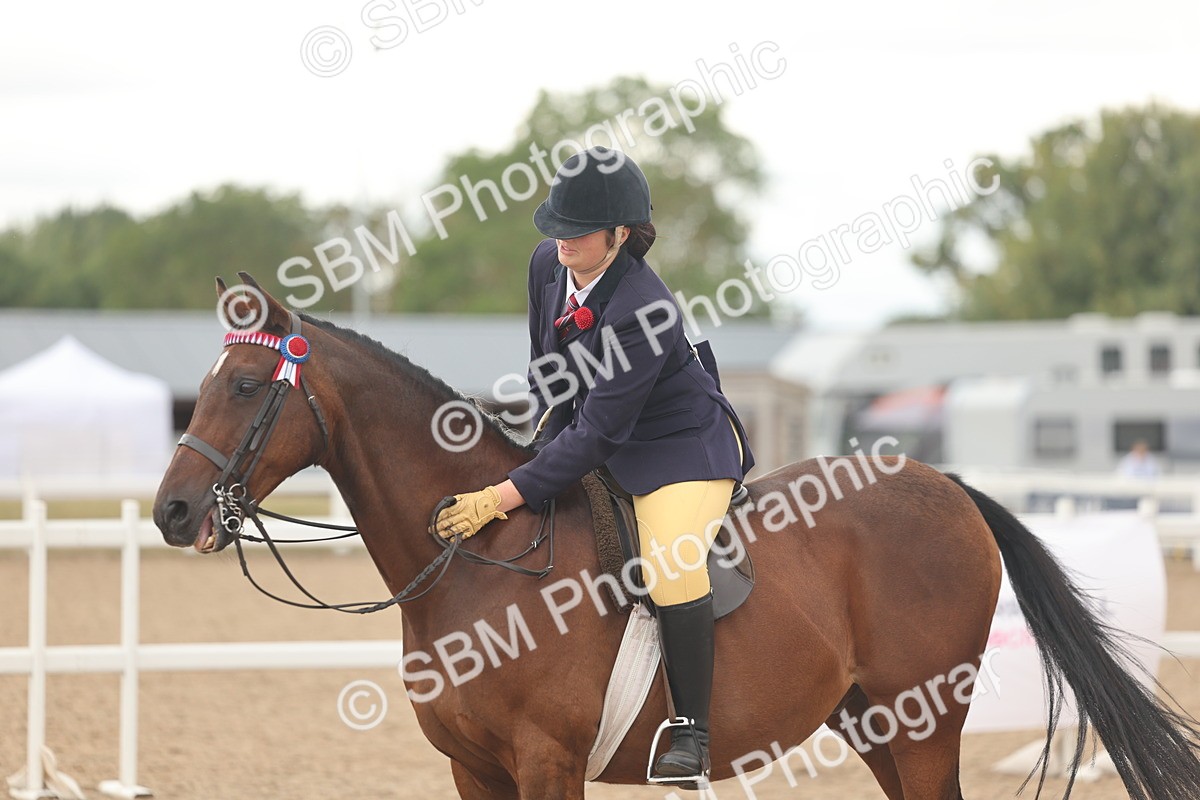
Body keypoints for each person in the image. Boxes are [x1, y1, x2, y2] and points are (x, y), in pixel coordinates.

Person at [434, 146, 754, 786]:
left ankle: (691, 732)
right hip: (596, 428)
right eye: (555, 226)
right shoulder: (546, 266)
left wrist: (502, 495)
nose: (560, 241)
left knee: (669, 563)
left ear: (620, 236)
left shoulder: (643, 307)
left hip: (678, 449)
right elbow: (545, 369)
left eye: (577, 232)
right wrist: (532, 442)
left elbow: (603, 433)